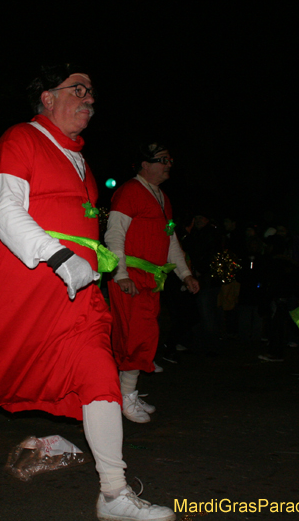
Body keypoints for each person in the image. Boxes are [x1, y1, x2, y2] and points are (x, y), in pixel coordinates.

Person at [0, 64, 175, 521]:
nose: (88, 99)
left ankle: (114, 493)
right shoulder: (19, 139)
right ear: (46, 97)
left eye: (92, 93)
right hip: (20, 283)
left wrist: (91, 261)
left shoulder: (78, 157)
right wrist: (59, 256)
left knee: (98, 371)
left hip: (76, 292)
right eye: (77, 90)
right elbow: (5, 212)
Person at [105, 143, 199, 424]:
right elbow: (114, 235)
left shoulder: (163, 198)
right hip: (131, 278)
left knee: (144, 336)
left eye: (170, 159)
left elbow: (170, 240)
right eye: (162, 160)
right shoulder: (129, 192)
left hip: (151, 280)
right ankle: (124, 396)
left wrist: (185, 274)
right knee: (133, 337)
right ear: (144, 165)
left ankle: (127, 393)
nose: (168, 164)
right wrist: (120, 274)